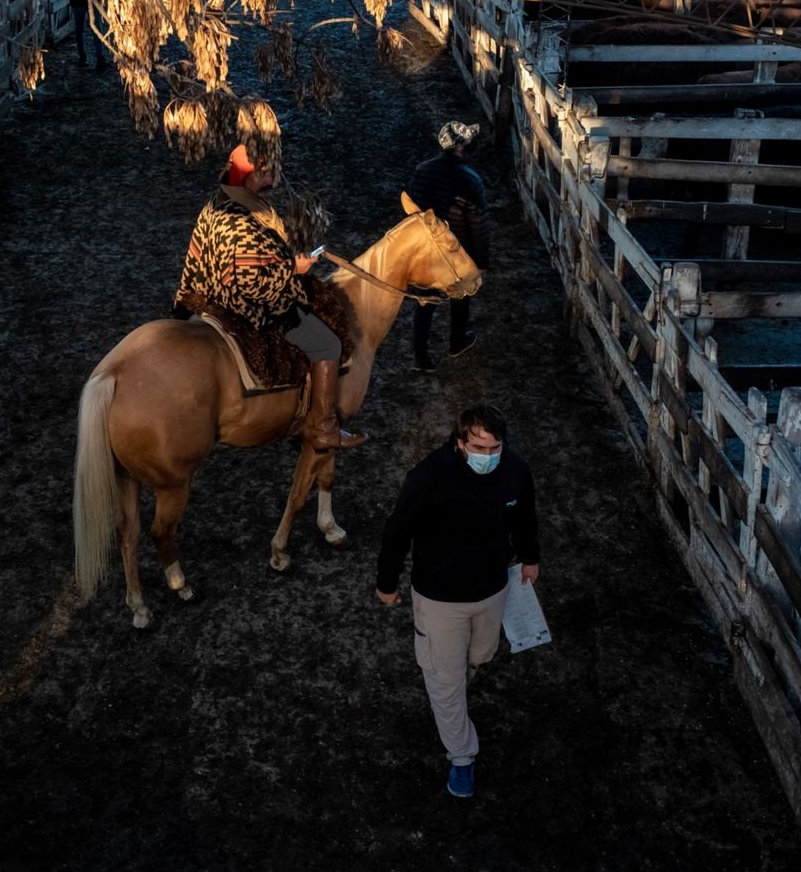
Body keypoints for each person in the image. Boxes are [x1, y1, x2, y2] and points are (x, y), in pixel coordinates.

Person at [376, 404, 540, 799]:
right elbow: (397, 531)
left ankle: (448, 689)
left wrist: (530, 556)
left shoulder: (515, 470)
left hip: (492, 590)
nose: (488, 456)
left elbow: (525, 516)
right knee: (447, 680)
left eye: (494, 448)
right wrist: (387, 582)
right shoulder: (428, 477)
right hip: (440, 599)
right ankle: (462, 757)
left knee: (480, 656)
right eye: (479, 448)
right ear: (460, 441)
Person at [175, 144, 365, 452]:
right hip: (248, 306)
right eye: (263, 173)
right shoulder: (241, 223)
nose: (271, 179)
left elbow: (201, 254)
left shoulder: (219, 202)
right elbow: (252, 284)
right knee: (328, 344)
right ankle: (324, 428)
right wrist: (294, 266)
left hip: (209, 293)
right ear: (244, 176)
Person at [406, 121, 489, 372]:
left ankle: (421, 357)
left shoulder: (422, 170)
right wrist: (481, 260)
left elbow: (413, 209)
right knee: (461, 295)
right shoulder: (471, 179)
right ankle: (457, 341)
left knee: (425, 301)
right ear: (462, 145)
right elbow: (477, 223)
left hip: (426, 248)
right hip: (457, 250)